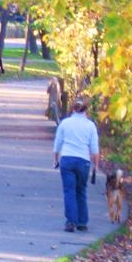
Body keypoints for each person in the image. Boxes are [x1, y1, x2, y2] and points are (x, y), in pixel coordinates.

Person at [53, 95, 100, 232]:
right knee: (81, 190)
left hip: (67, 159)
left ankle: (70, 222)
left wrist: (56, 160)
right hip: (83, 161)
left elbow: (57, 145)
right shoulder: (90, 126)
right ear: (86, 109)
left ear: (73, 108)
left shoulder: (65, 123)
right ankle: (82, 221)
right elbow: (95, 149)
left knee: (69, 191)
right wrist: (96, 166)